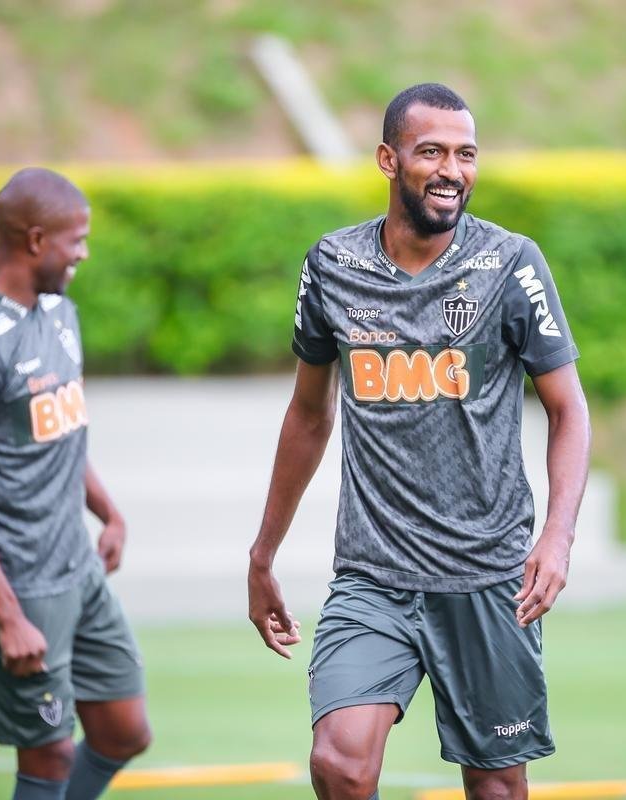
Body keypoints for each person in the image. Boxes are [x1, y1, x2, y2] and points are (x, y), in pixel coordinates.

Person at [247, 83, 591, 800]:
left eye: (466, 154)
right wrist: (262, 554)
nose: (451, 170)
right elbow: (308, 415)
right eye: (431, 151)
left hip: (488, 576)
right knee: (339, 765)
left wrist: (557, 538)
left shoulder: (511, 263)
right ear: (388, 159)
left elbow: (569, 410)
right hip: (373, 575)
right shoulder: (332, 265)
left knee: (496, 789)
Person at [0, 167, 151, 800]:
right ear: (34, 240)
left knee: (123, 731)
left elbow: (58, 433)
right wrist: (7, 616)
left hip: (74, 562)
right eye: (75, 240)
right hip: (17, 579)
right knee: (50, 753)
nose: (83, 253)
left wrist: (108, 513)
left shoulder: (60, 313)